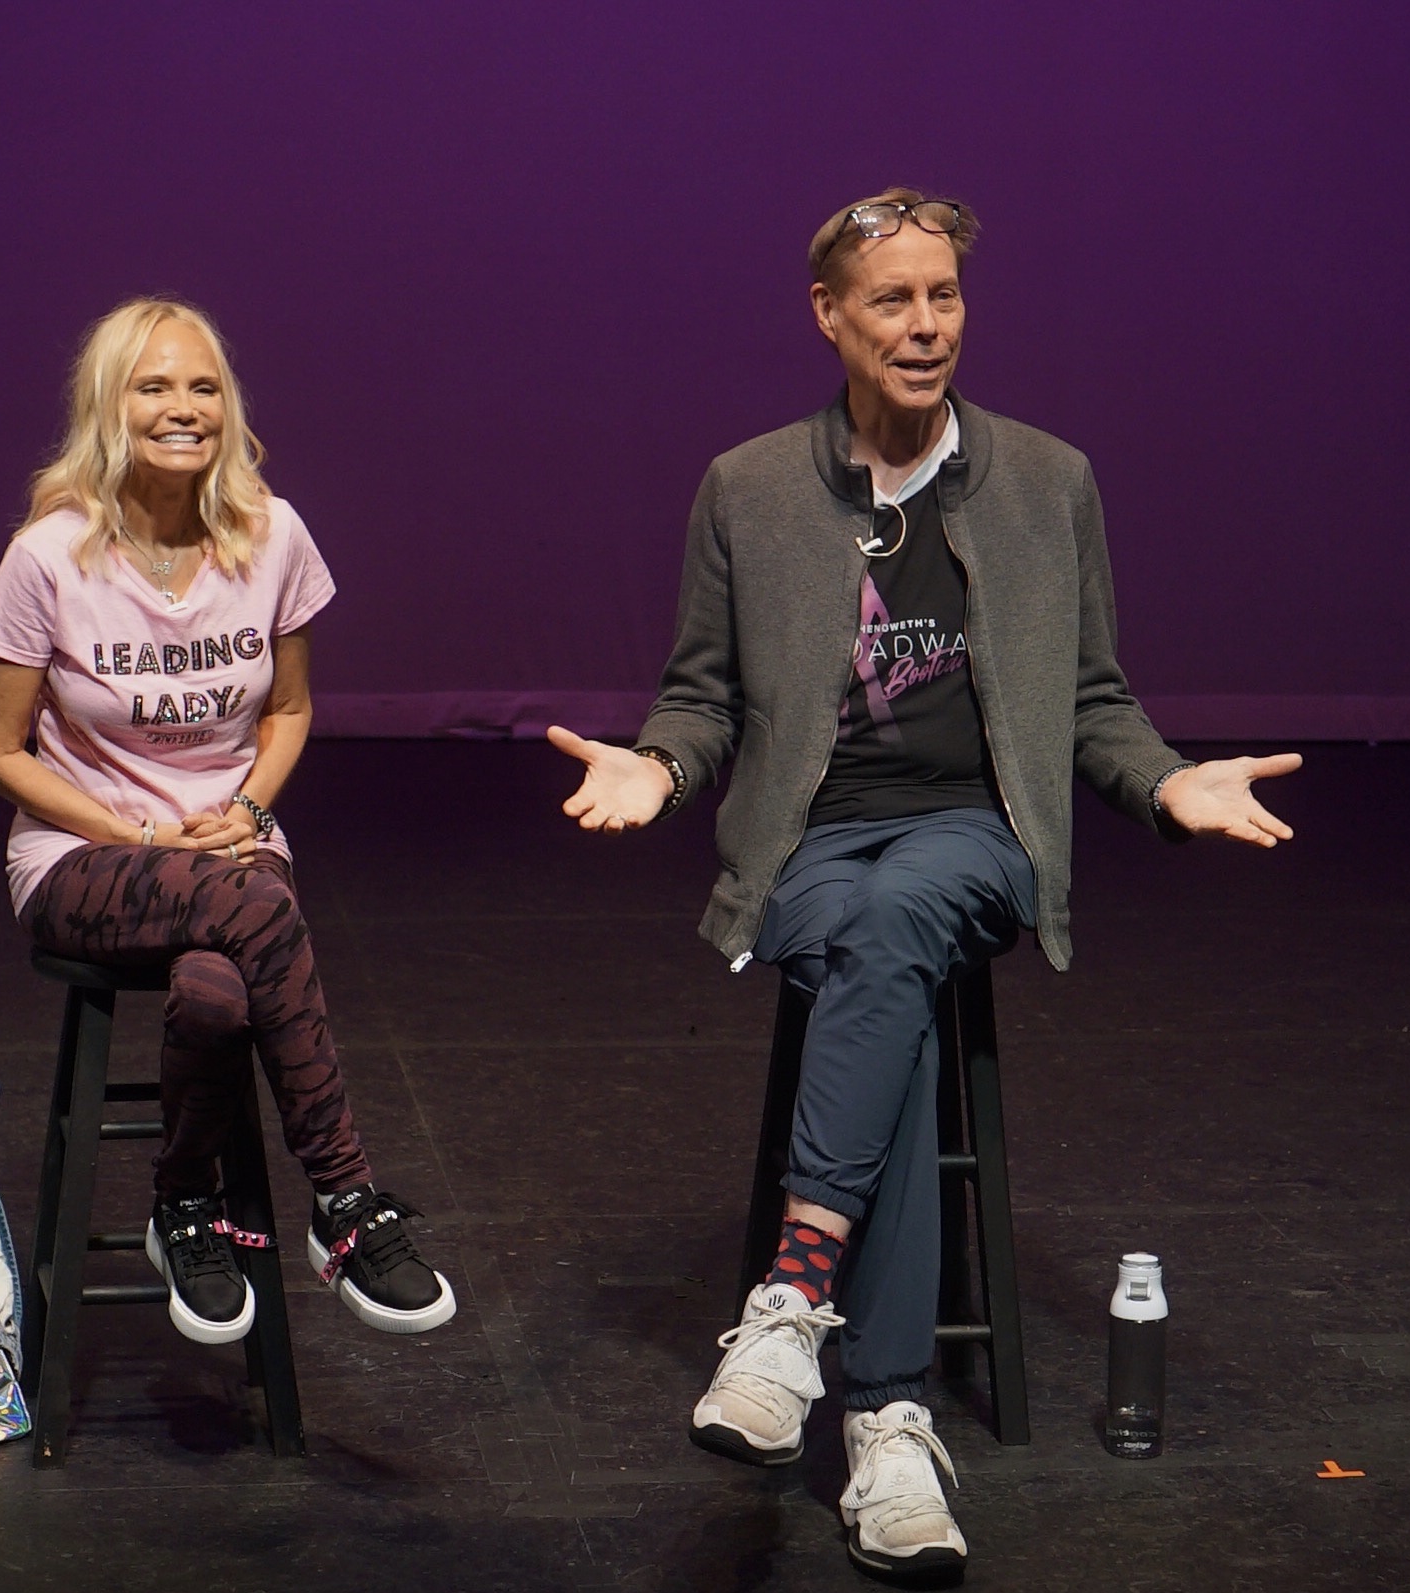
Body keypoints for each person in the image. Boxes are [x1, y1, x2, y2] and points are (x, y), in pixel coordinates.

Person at [548, 189, 1300, 1581]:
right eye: (892, 299)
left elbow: (1091, 699)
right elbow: (701, 697)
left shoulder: (1046, 480)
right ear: (828, 317)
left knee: (896, 921)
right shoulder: (751, 486)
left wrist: (1167, 785)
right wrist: (660, 766)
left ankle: (791, 1310)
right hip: (809, 844)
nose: (924, 324)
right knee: (865, 961)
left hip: (973, 831)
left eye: (944, 295)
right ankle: (888, 1421)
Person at [0, 296, 454, 1345]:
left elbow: (289, 709)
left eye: (203, 387)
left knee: (219, 990)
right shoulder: (48, 556)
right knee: (251, 915)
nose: (184, 408)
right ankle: (346, 1203)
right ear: (109, 406)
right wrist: (130, 831)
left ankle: (183, 1201)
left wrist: (242, 809)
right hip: (85, 858)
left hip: (229, 842)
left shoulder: (272, 537)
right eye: (154, 387)